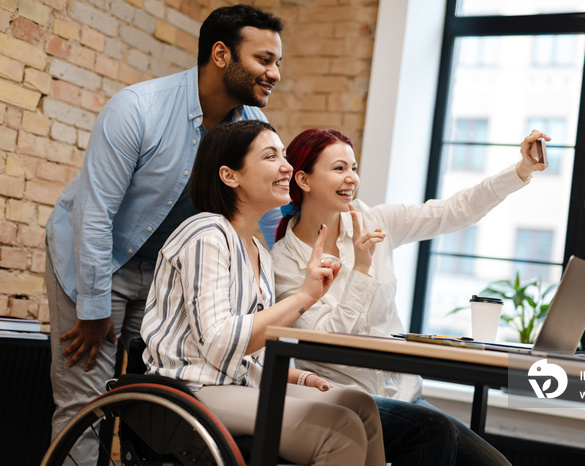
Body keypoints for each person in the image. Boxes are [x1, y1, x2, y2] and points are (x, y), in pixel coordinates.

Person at [44, 4, 284, 459]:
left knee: (152, 400)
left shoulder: (252, 128)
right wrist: (94, 309)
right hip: (97, 263)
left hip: (163, 276)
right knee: (85, 404)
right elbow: (94, 214)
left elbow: (265, 217)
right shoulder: (138, 109)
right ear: (220, 54)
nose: (273, 73)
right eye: (263, 59)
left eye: (277, 62)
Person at [271, 127, 550, 465]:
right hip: (345, 398)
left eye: (354, 167)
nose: (351, 178)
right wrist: (360, 268)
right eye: (339, 168)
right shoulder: (284, 261)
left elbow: (451, 212)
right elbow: (331, 343)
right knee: (433, 433)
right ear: (303, 179)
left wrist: (519, 170)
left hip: (404, 393)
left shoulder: (374, 220)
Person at [140, 120, 385, 465]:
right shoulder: (206, 234)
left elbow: (251, 355)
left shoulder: (257, 249)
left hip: (237, 384)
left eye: (284, 155)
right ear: (230, 175)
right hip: (192, 391)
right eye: (271, 156)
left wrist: (301, 376)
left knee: (359, 404)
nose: (286, 166)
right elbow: (219, 343)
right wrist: (305, 296)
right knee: (339, 428)